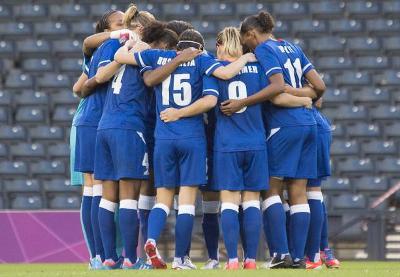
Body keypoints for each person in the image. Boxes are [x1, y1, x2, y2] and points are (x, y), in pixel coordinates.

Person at [160, 27, 312, 270]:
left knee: (229, 203)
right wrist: (305, 99)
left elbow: (207, 104)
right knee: (251, 201)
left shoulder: (215, 71)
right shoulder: (257, 67)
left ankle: (231, 260)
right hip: (256, 144)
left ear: (220, 44)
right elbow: (277, 96)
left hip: (226, 144)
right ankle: (250, 260)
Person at [114, 28, 256, 269]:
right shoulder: (203, 61)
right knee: (187, 202)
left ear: (178, 46)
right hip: (192, 138)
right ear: (198, 48)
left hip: (164, 138)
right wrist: (246, 57)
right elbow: (212, 96)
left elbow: (118, 57)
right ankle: (181, 258)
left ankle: (150, 240)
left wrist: (134, 43)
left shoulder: (158, 57)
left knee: (163, 200)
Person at [222, 11, 325, 268]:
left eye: (246, 41)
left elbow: (277, 88)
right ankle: (299, 258)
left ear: (251, 34)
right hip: (308, 123)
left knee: (271, 190)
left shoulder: (265, 50)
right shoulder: (293, 47)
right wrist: (303, 95)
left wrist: (242, 102)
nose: (246, 46)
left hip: (284, 125)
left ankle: (281, 254)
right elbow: (319, 87)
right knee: (299, 193)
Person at [81, 4, 156, 270]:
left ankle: (107, 257)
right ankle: (130, 259)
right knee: (128, 197)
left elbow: (97, 77)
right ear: (141, 28)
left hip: (104, 126)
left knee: (106, 196)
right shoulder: (147, 50)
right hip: (129, 126)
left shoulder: (105, 47)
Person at [72, 9, 127, 270]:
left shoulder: (108, 48)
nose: (124, 28)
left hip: (96, 120)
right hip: (95, 121)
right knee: (95, 189)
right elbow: (87, 44)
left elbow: (80, 87)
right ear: (106, 29)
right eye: (118, 25)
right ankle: (99, 256)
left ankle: (102, 256)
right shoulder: (107, 46)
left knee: (97, 190)